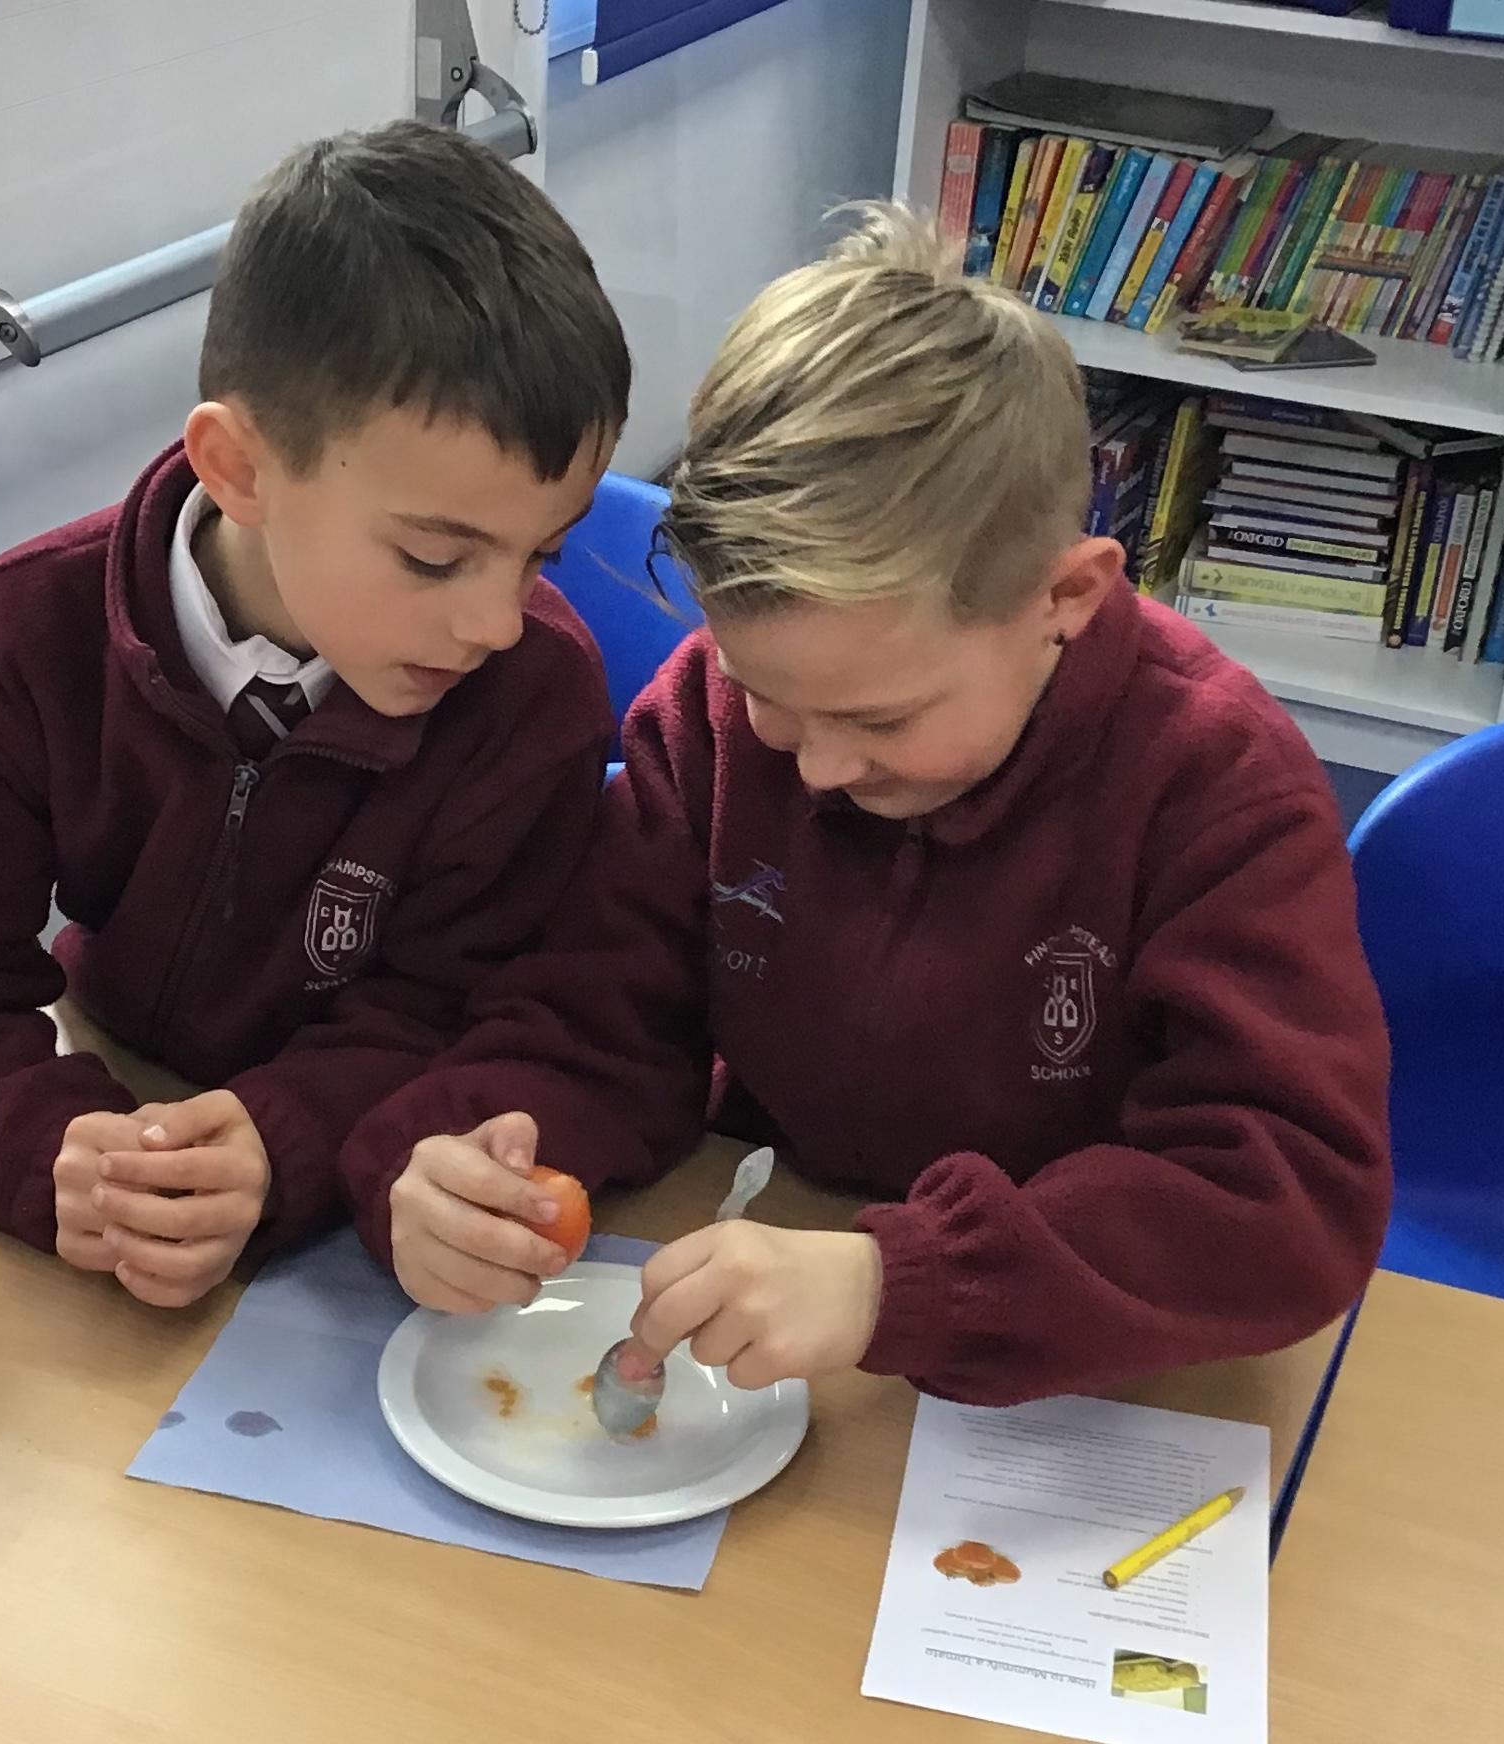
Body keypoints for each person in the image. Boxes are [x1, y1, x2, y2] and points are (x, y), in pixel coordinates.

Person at [338, 204, 1392, 1406]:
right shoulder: (710, 718)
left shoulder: (1216, 784)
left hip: (1071, 1360)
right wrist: (461, 1158)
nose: (817, 769)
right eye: (767, 695)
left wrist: (906, 1280)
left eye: (882, 721)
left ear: (1066, 596)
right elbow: (593, 1021)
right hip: (795, 1309)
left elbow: (1285, 1197)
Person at [0, 121, 629, 1309]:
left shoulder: (531, 703)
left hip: (353, 1206)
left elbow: (454, 1015)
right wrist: (54, 1149)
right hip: (112, 1091)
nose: (496, 624)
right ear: (240, 470)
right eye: (433, 558)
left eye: (539, 556)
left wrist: (281, 1137)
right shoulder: (10, 644)